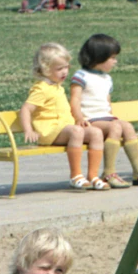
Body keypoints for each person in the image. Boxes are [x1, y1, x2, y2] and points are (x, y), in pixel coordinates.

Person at [19, 42, 104, 191]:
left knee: (96, 133)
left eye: (66, 67)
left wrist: (79, 119)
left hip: (64, 128)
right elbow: (26, 109)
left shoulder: (56, 86)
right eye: (59, 69)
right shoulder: (41, 89)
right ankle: (76, 175)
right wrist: (28, 130)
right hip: (49, 132)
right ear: (44, 70)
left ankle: (93, 175)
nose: (64, 72)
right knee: (76, 132)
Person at [71, 34, 138, 188]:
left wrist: (111, 115)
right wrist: (78, 117)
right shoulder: (81, 76)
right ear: (99, 57)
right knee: (115, 127)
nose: (115, 61)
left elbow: (107, 101)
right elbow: (75, 99)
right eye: (112, 58)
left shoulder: (107, 78)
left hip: (105, 118)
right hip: (90, 120)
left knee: (127, 126)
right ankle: (109, 172)